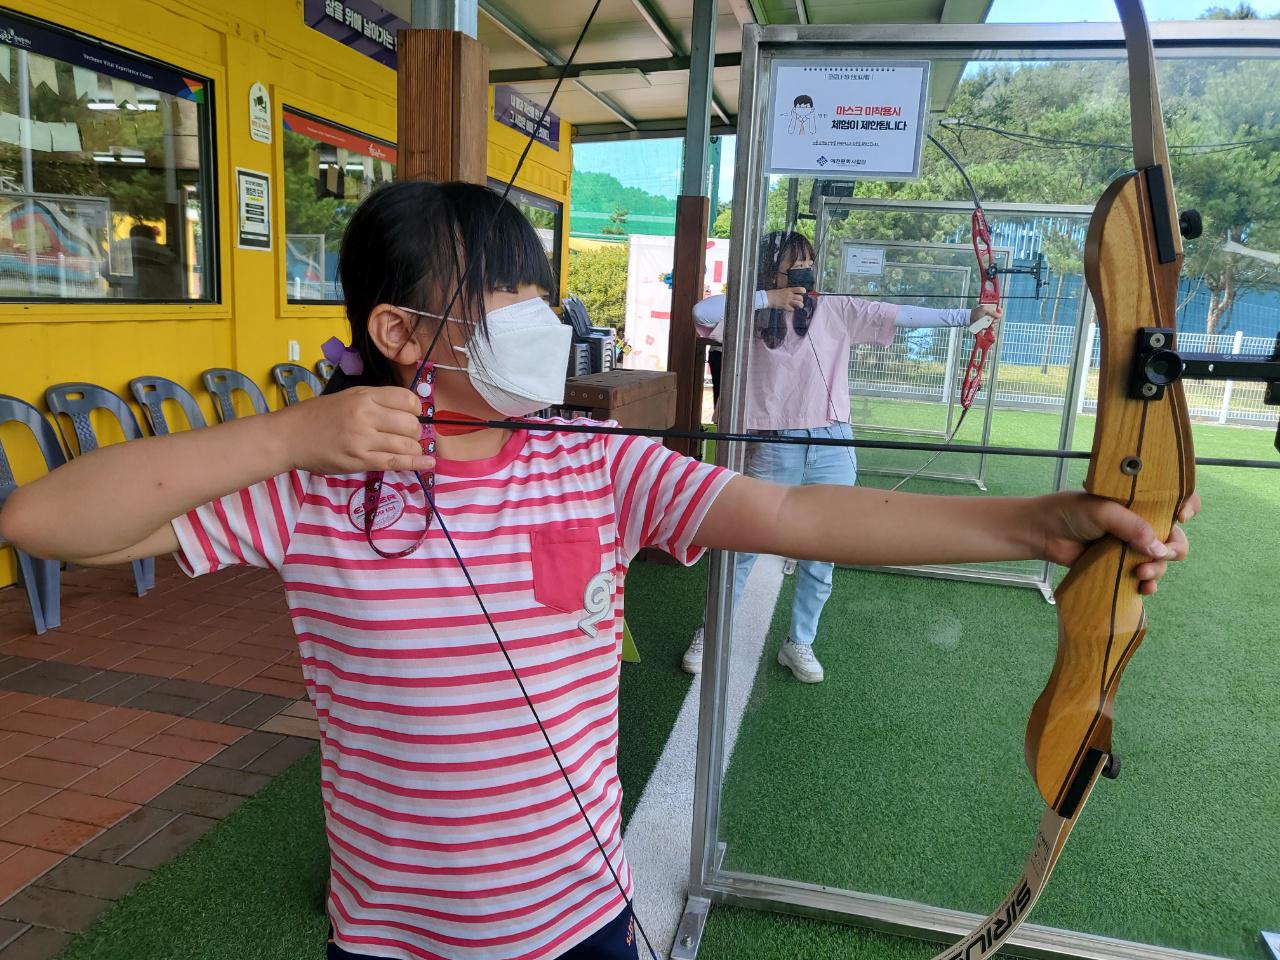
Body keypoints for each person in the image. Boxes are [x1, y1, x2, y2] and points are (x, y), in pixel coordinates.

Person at [0, 182, 1193, 960]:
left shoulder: (592, 464)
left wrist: (1035, 524)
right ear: (400, 334)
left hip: (582, 922)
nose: (540, 323)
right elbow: (46, 519)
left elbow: (793, 509)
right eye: (503, 301)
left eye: (539, 294)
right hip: (395, 939)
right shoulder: (312, 488)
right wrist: (285, 437)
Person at [681, 230, 1001, 683]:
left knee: (822, 549)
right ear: (771, 271)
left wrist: (968, 315)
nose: (804, 272)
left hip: (832, 442)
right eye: (793, 265)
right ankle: (712, 633)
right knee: (741, 544)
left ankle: (799, 642)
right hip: (773, 443)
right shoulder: (748, 312)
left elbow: (901, 313)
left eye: (808, 264)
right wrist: (768, 298)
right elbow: (701, 312)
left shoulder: (834, 308)